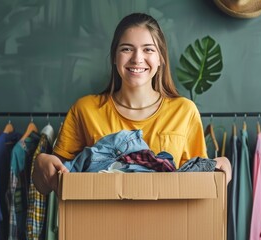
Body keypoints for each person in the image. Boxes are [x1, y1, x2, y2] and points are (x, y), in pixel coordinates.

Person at [32, 12, 232, 195]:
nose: (137, 58)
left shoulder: (184, 111)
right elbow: (53, 184)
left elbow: (197, 184)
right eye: (127, 49)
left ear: (161, 58)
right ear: (114, 56)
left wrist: (219, 167)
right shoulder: (85, 109)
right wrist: (41, 163)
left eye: (148, 49)